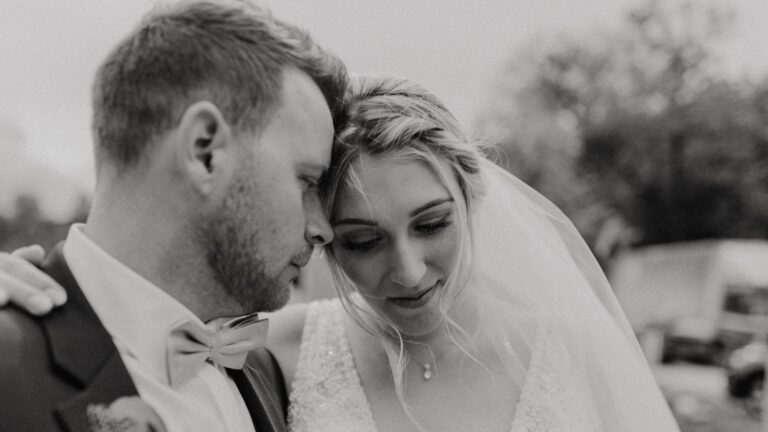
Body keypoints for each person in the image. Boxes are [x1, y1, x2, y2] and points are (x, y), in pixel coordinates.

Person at [0, 75, 681, 431]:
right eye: (363, 241)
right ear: (323, 234)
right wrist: (28, 295)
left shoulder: (574, 350)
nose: (407, 271)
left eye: (432, 224)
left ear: (473, 199)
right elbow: (122, 333)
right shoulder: (280, 346)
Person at [0, 1, 347, 431]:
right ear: (204, 151)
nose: (322, 229)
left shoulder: (261, 370)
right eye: (308, 180)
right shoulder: (9, 369)